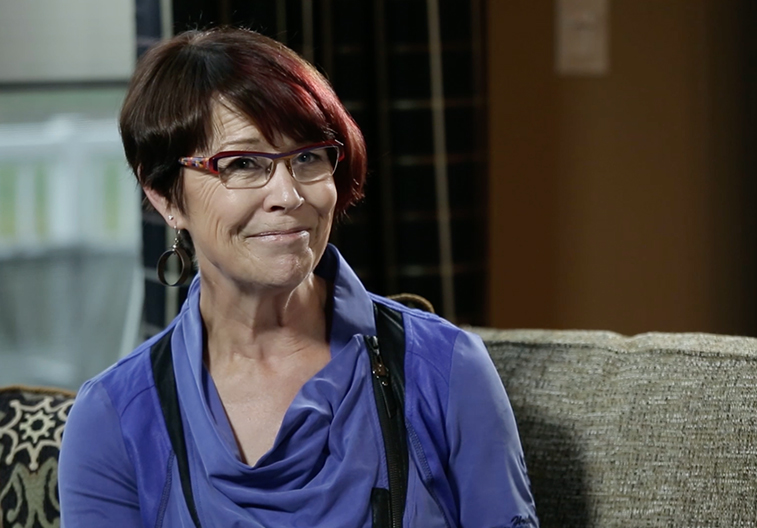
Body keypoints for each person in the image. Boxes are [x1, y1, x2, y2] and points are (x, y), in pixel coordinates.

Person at [58, 27, 537, 528]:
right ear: (166, 197)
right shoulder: (115, 418)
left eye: (307, 157)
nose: (288, 195)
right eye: (242, 163)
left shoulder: (445, 370)